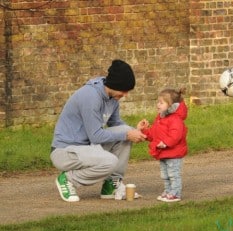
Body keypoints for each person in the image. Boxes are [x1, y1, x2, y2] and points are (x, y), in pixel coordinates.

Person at [50, 59, 146, 202]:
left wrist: (135, 131)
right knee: (110, 161)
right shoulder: (90, 96)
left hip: (87, 149)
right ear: (115, 85)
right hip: (65, 152)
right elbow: (96, 136)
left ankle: (111, 185)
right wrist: (127, 134)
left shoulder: (112, 97)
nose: (126, 95)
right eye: (124, 90)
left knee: (125, 131)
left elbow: (117, 124)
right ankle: (68, 179)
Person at [137, 88, 188, 202]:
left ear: (172, 106)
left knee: (173, 175)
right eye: (158, 102)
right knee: (165, 175)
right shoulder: (160, 118)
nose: (158, 104)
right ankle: (168, 191)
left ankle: (175, 193)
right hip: (163, 153)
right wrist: (144, 131)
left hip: (173, 154)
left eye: (161, 102)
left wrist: (165, 143)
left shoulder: (175, 119)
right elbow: (154, 134)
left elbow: (176, 135)